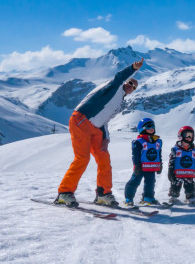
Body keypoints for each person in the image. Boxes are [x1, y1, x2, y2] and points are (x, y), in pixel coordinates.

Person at [56, 58, 144, 207]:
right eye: (130, 83)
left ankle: (103, 193)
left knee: (104, 158)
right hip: (81, 120)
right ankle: (64, 192)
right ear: (126, 82)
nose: (131, 87)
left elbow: (105, 120)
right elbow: (118, 77)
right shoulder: (113, 87)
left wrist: (106, 139)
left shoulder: (119, 103)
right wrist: (133, 67)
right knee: (82, 159)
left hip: (96, 129)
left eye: (134, 87)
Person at [123, 118, 163, 207]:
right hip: (140, 167)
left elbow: (158, 154)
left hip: (151, 167)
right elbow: (135, 155)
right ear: (142, 128)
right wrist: (137, 165)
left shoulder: (158, 141)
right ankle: (128, 198)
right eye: (149, 126)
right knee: (134, 182)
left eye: (153, 126)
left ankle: (148, 197)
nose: (152, 128)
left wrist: (160, 165)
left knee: (150, 182)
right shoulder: (139, 142)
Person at [168, 125, 195, 206]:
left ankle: (191, 199)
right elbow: (171, 161)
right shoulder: (175, 149)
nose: (189, 137)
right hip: (177, 174)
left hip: (189, 174)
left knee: (190, 187)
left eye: (191, 135)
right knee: (175, 186)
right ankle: (173, 198)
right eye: (187, 135)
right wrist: (170, 171)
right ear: (181, 136)